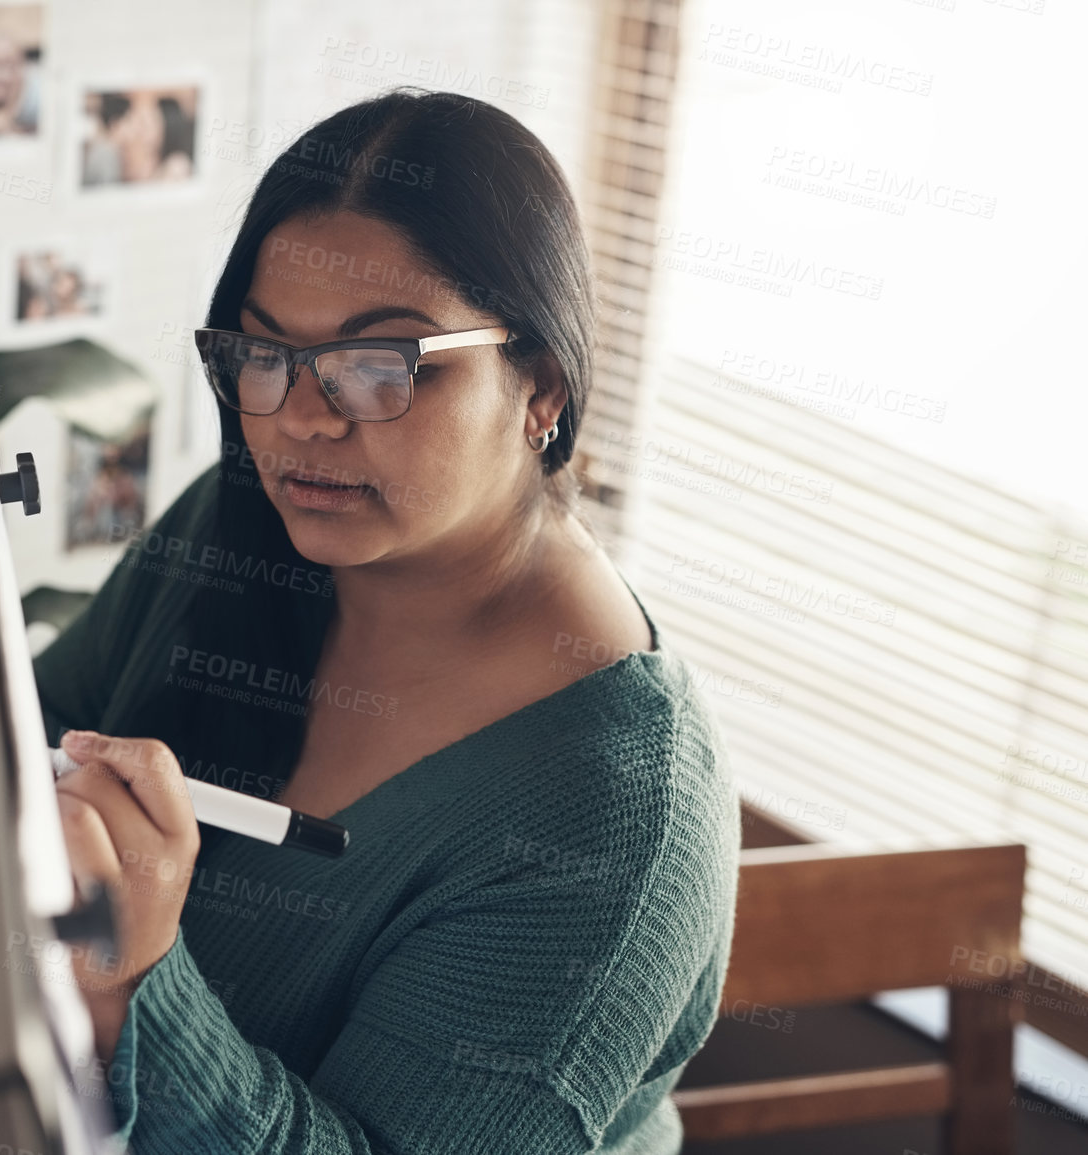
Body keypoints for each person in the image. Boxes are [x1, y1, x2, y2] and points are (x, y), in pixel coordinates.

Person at [36, 89, 741, 1153]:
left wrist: (134, 981)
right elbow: (38, 721)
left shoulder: (617, 812)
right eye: (264, 356)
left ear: (539, 387)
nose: (302, 420)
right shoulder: (240, 525)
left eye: (382, 367)